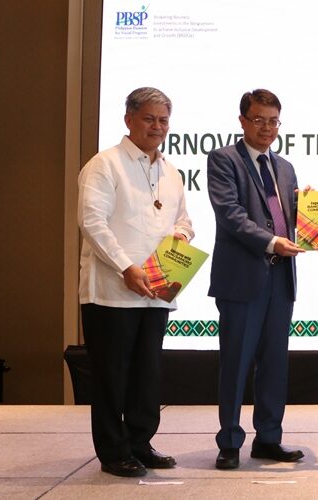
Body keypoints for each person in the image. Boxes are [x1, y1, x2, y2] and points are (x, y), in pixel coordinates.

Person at [78, 87, 194, 477]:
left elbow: (183, 220)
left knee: (147, 374)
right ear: (129, 119)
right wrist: (126, 266)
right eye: (149, 118)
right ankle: (113, 452)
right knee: (112, 377)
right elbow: (92, 222)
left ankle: (141, 443)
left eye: (163, 120)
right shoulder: (104, 164)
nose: (157, 127)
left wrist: (182, 235)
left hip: (158, 291)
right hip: (111, 293)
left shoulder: (172, 171)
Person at [207, 89, 305, 470]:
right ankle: (229, 441)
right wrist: (271, 242)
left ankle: (268, 438)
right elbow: (229, 214)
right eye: (259, 119)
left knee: (274, 364)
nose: (267, 128)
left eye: (273, 121)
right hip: (242, 278)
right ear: (243, 121)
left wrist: (313, 215)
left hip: (281, 279)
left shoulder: (285, 167)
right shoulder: (223, 160)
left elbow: (292, 215)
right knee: (236, 362)